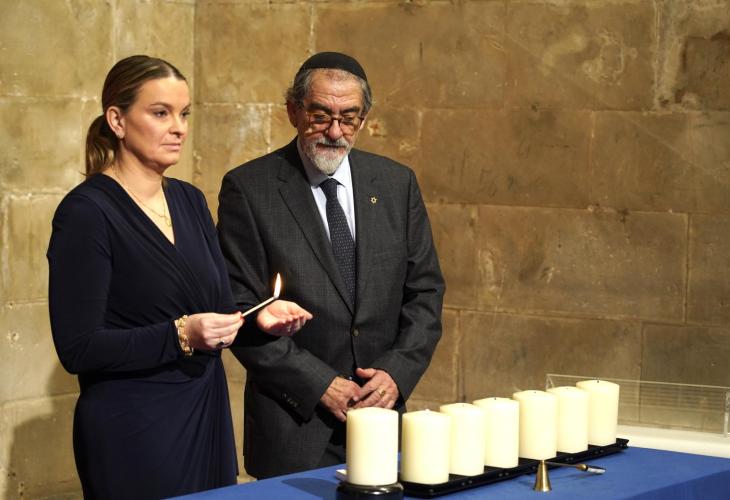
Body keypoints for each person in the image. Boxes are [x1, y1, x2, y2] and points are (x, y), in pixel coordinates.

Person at [47, 55, 312, 499]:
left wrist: (255, 319)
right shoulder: (86, 213)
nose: (179, 128)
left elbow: (214, 307)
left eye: (184, 114)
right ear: (117, 120)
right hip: (133, 428)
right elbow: (79, 347)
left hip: (204, 413)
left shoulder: (189, 200)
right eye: (160, 113)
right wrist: (181, 334)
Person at [218, 51, 445, 479]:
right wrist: (319, 383)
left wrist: (396, 374)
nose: (335, 132)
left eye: (349, 118)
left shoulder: (396, 183)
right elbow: (239, 307)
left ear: (364, 118)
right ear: (293, 111)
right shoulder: (250, 189)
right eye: (320, 116)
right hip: (294, 425)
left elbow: (425, 292)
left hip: (381, 420)